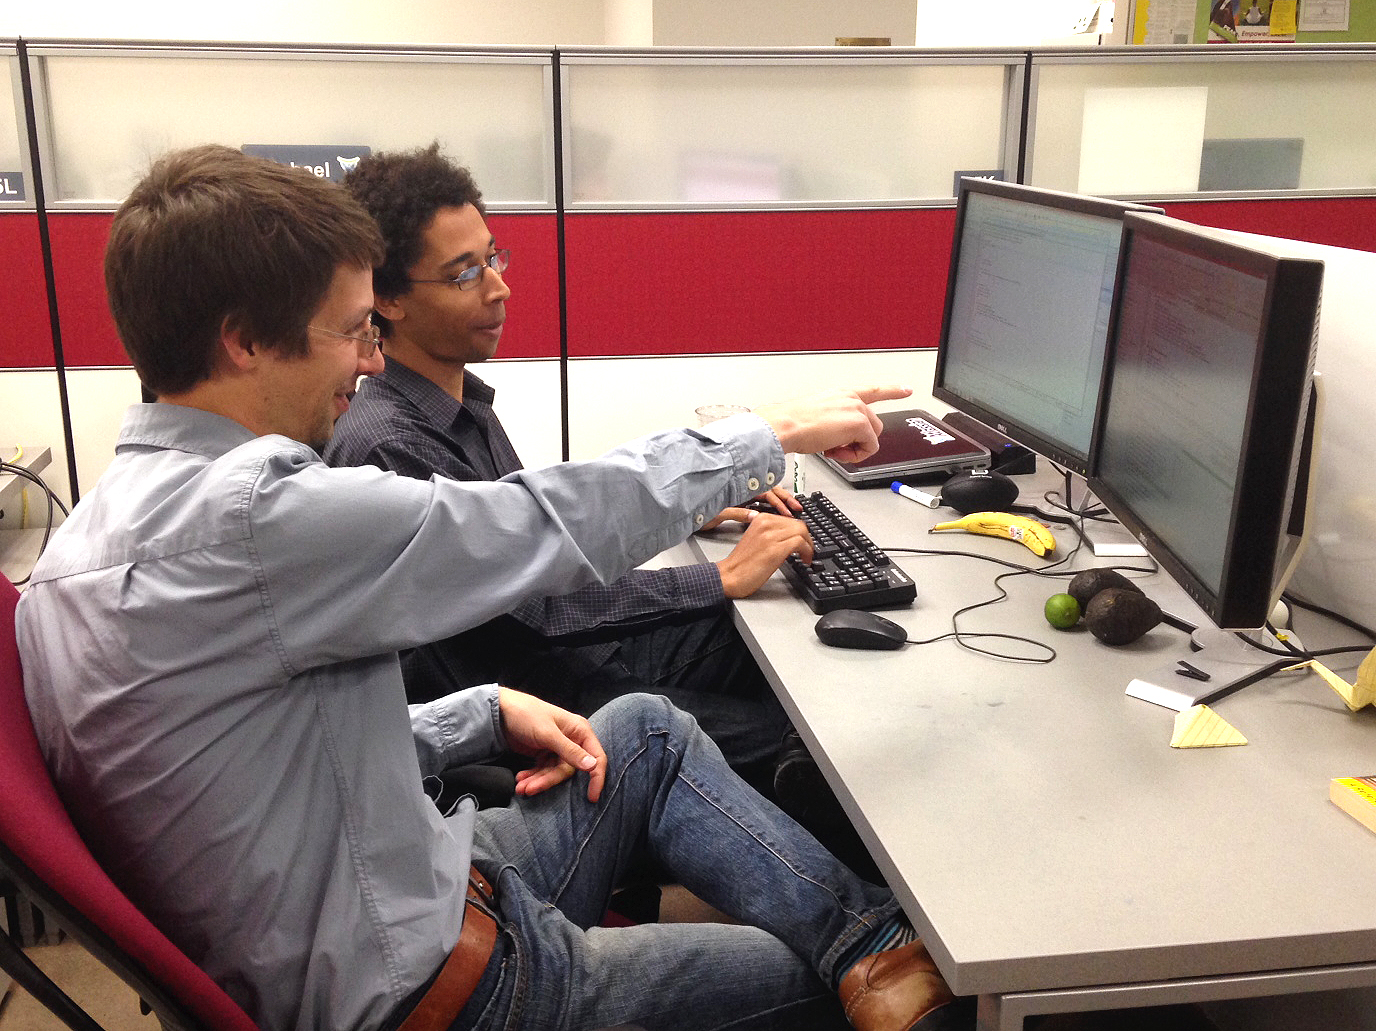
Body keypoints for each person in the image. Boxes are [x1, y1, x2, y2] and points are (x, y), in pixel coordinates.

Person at [15, 144, 971, 1031]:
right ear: (244, 342)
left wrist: (475, 712)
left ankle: (873, 940)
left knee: (642, 730)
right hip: (456, 987)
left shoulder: (79, 549)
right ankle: (899, 967)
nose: (372, 358)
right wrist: (770, 431)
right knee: (817, 989)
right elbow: (536, 522)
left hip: (411, 883)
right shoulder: (259, 519)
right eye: (351, 332)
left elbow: (245, 776)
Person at [324, 143, 803, 789]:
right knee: (802, 751)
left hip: (582, 662)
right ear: (388, 298)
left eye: (493, 257)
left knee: (786, 652)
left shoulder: (455, 400)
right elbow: (539, 610)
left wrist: (689, 507)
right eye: (464, 273)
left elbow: (537, 533)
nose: (500, 286)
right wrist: (716, 579)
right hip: (549, 708)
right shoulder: (390, 446)